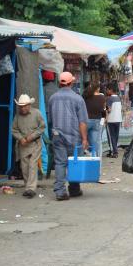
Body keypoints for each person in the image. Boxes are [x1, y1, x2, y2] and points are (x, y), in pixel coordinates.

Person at [48, 72, 89, 201]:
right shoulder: (78, 99)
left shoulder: (52, 98)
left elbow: (50, 119)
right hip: (74, 136)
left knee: (60, 163)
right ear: (71, 82)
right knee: (74, 162)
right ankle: (74, 189)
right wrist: (84, 139)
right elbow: (82, 122)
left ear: (59, 83)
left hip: (57, 135)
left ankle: (60, 191)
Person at [11, 94, 46, 198]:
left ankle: (31, 188)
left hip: (35, 143)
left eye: (25, 106)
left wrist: (32, 136)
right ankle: (28, 187)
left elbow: (42, 127)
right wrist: (20, 138)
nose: (23, 108)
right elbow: (14, 130)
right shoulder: (17, 116)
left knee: (32, 164)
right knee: (24, 166)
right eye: (21, 106)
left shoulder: (37, 113)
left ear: (29, 105)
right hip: (23, 145)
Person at [82, 82, 105, 156]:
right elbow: (103, 110)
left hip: (86, 120)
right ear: (98, 88)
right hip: (97, 121)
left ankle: (83, 154)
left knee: (82, 139)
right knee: (95, 142)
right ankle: (94, 157)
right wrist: (104, 118)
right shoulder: (102, 97)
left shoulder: (86, 96)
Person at [105, 83, 122, 158]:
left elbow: (109, 109)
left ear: (111, 90)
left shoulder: (110, 99)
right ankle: (114, 151)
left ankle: (114, 152)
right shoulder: (118, 98)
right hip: (118, 119)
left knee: (111, 136)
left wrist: (105, 109)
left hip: (111, 120)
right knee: (116, 136)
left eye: (107, 89)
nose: (106, 91)